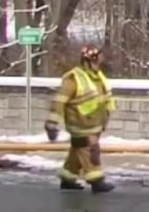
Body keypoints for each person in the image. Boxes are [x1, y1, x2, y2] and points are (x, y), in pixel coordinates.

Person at [45, 45, 116, 193]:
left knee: (77, 151)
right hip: (81, 125)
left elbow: (103, 98)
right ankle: (96, 181)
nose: (99, 64)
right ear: (88, 61)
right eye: (96, 61)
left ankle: (68, 178)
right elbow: (60, 100)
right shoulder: (74, 79)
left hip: (94, 124)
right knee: (91, 151)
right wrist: (52, 122)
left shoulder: (97, 77)